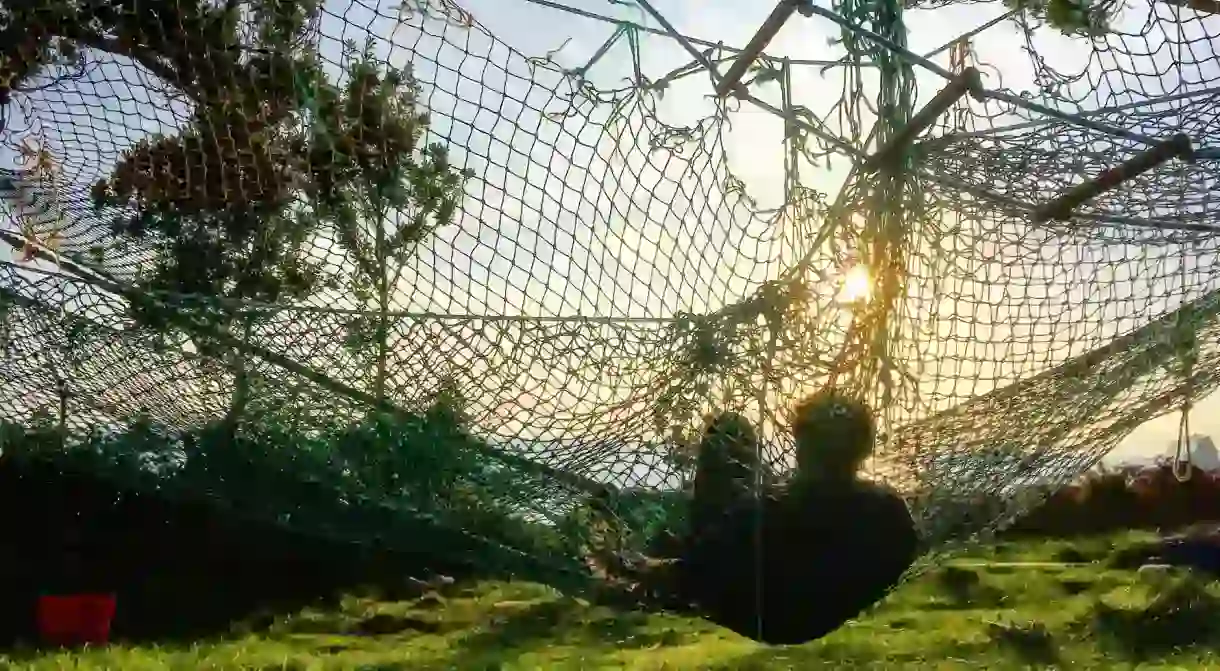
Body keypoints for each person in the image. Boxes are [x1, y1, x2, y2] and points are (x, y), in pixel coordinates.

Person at [682, 389, 920, 645]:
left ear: (802, 445)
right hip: (826, 611)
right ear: (863, 448)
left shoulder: (763, 515)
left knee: (729, 427)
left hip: (766, 616)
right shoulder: (888, 509)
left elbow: (706, 568)